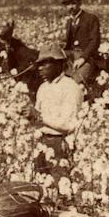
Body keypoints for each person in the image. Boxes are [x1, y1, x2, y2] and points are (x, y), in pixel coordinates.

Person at [30, 44, 85, 181]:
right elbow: (38, 119)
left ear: (59, 64)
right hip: (41, 142)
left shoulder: (71, 87)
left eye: (44, 64)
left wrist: (39, 116)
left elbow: (69, 124)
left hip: (59, 144)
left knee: (60, 187)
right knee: (40, 186)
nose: (40, 69)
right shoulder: (42, 88)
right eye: (39, 65)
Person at [60, 0, 100, 88]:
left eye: (73, 3)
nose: (71, 7)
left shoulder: (91, 18)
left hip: (86, 57)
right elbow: (68, 44)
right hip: (72, 55)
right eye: (68, 5)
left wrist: (83, 58)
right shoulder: (69, 21)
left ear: (79, 3)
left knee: (76, 82)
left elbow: (95, 41)